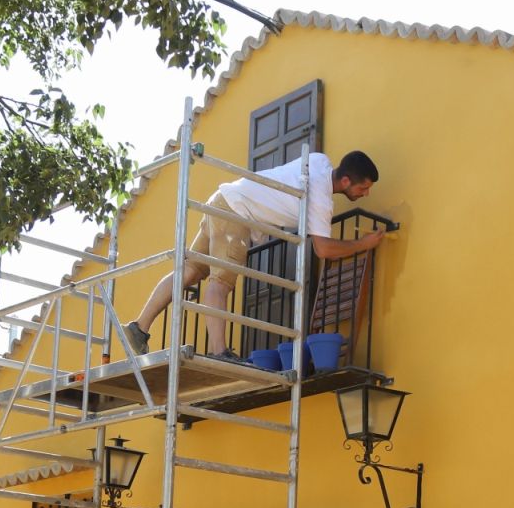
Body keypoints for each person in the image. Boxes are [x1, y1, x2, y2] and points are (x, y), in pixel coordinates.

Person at [121, 149, 387, 359]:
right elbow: (324, 249)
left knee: (191, 270)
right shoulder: (321, 200)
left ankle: (139, 327)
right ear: (345, 181)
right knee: (220, 281)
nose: (366, 194)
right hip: (237, 211)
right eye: (363, 188)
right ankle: (218, 351)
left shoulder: (318, 161)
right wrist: (363, 244)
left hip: (224, 199)